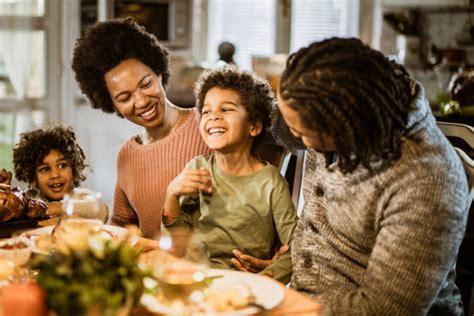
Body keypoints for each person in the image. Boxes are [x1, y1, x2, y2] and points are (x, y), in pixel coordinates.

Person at [269, 38, 469, 314]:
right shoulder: (339, 117)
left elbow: (386, 308)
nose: (299, 140)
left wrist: (282, 307)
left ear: (346, 124)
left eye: (304, 134)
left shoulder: (426, 179)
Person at [71, 17, 211, 238]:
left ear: (159, 72)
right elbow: (123, 227)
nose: (142, 101)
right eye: (125, 97)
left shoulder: (208, 125)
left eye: (146, 84)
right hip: (154, 267)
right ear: (111, 104)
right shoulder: (128, 154)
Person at [162, 67, 297, 283]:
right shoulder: (197, 168)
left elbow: (295, 250)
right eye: (206, 111)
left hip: (247, 286)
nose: (213, 116)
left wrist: (260, 282)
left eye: (226, 109)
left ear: (253, 126)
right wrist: (171, 196)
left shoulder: (271, 182)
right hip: (198, 280)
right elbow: (178, 242)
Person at [10, 125, 108, 221]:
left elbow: (102, 209)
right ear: (32, 178)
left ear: (73, 170)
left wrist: (47, 208)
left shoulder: (81, 196)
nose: (55, 175)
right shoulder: (28, 202)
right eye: (45, 169)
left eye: (62, 165)